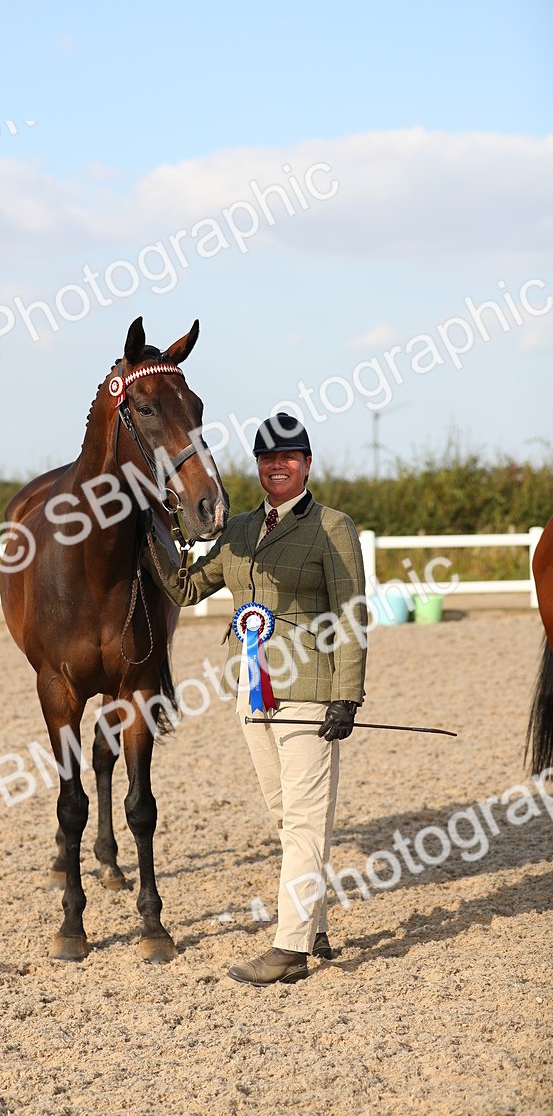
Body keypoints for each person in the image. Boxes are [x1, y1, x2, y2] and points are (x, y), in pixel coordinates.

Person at [144, 412, 367, 985]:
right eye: (268, 458)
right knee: (286, 816)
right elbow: (190, 588)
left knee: (304, 821)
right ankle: (314, 926)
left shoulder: (332, 528)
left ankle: (289, 948)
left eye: (289, 457)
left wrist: (347, 696)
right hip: (251, 692)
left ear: (307, 465)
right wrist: (151, 536)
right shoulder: (240, 530)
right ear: (259, 466)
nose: (277, 465)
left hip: (310, 693)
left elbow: (351, 616)